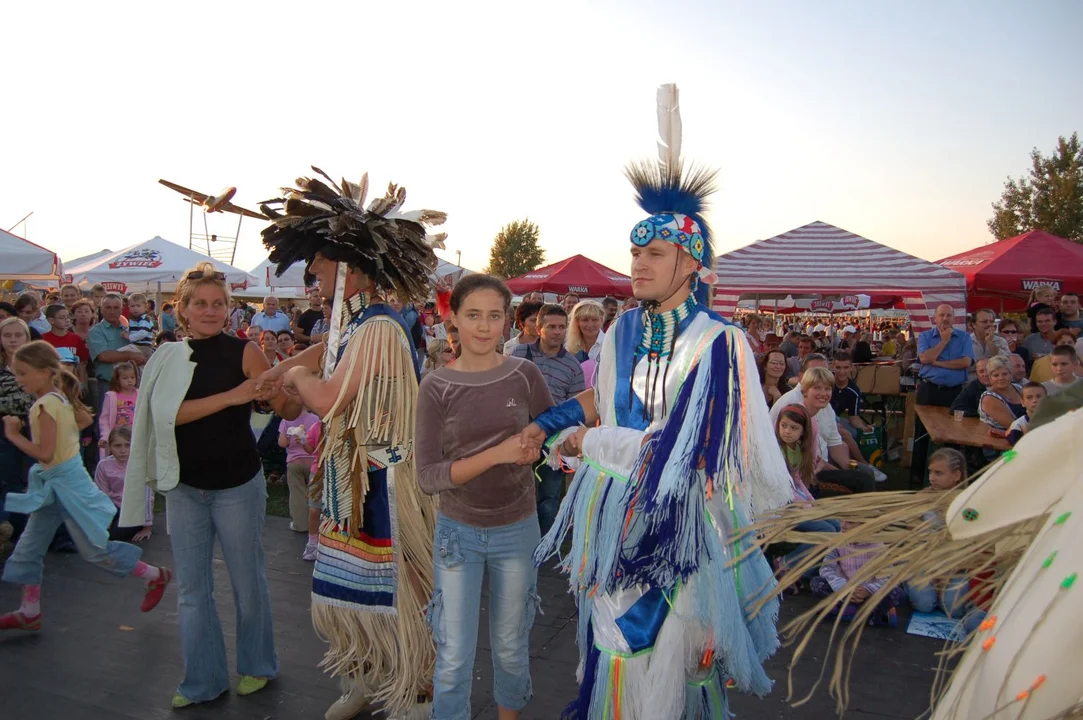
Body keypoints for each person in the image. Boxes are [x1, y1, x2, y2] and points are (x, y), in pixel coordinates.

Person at [521, 85, 793, 719]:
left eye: (655, 254)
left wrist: (585, 442)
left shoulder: (719, 344)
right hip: (613, 515)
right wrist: (547, 425)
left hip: (681, 531)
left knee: (665, 662)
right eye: (636, 253)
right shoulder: (620, 331)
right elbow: (606, 400)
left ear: (692, 263)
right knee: (607, 656)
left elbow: (686, 453)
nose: (638, 265)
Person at [254, 167, 445, 720]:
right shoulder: (354, 326)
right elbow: (319, 359)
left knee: (401, 588)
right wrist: (281, 371)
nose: (311, 267)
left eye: (320, 258)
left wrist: (292, 382)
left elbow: (329, 397)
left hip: (383, 480)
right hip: (350, 479)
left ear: (353, 266)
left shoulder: (380, 326)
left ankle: (415, 689)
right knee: (348, 583)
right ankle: (365, 675)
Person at [118, 262, 302, 708]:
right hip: (185, 488)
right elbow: (169, 416)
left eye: (218, 303)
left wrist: (278, 393)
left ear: (229, 309)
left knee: (248, 582)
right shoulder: (166, 357)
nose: (210, 310)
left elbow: (289, 411)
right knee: (193, 590)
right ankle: (202, 679)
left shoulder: (245, 353)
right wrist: (235, 396)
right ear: (182, 309)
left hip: (238, 485)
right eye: (200, 303)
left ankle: (258, 665)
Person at [415, 275, 552, 720]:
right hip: (458, 532)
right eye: (473, 314)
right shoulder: (436, 387)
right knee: (453, 653)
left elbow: (551, 432)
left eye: (495, 315)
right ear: (452, 318)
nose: (484, 326)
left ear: (508, 320)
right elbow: (428, 476)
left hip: (517, 528)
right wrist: (498, 453)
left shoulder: (525, 374)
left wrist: (543, 443)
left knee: (511, 645)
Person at [1, 341, 171, 632]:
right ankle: (30, 610)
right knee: (29, 547)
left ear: (43, 372)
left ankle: (154, 574)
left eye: (23, 373)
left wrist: (13, 434)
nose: (19, 379)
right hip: (57, 486)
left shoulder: (46, 405)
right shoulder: (57, 399)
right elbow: (81, 420)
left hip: (67, 487)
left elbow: (44, 453)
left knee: (95, 550)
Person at [511, 303, 585, 536]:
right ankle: (515, 541)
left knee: (549, 496)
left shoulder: (572, 365)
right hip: (519, 433)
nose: (557, 332)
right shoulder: (519, 355)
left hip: (553, 438)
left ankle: (542, 543)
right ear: (539, 328)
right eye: (551, 326)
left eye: (562, 327)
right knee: (515, 491)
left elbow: (576, 406)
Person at [771, 404, 839, 586]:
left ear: (803, 432)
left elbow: (798, 482)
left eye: (794, 428)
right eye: (784, 426)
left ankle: (809, 572)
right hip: (781, 507)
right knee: (827, 530)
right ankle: (786, 564)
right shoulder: (776, 451)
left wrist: (811, 502)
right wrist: (805, 507)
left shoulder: (798, 451)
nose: (787, 431)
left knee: (838, 525)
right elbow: (783, 488)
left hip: (797, 504)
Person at [0, 318, 35, 544]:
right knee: (10, 482)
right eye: (8, 335)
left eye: (18, 335)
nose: (13, 340)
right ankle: (16, 532)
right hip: (4, 433)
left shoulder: (37, 366)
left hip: (35, 430)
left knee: (34, 481)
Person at [88, 294, 146, 416]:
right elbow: (104, 356)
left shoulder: (128, 329)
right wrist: (131, 355)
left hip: (130, 386)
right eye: (108, 307)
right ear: (101, 309)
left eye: (116, 307)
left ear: (121, 309)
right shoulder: (96, 331)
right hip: (108, 384)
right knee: (107, 422)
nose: (112, 311)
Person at [93, 426, 153, 542]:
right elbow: (101, 495)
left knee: (114, 536)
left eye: (127, 445)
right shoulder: (103, 465)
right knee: (95, 532)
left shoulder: (141, 466)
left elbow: (147, 498)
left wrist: (147, 528)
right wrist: (105, 521)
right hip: (114, 507)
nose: (123, 450)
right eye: (117, 446)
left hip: (135, 509)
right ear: (110, 447)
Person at [277, 407, 320, 540]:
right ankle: (317, 525)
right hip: (313, 462)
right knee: (315, 496)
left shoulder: (285, 420)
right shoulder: (315, 419)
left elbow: (282, 443)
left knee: (297, 495)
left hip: (294, 463)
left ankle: (300, 524)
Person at [97, 361, 138, 459]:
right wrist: (105, 436)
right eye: (125, 378)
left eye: (132, 377)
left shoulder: (140, 394)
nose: (129, 381)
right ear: (117, 379)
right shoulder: (111, 396)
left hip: (135, 436)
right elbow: (104, 419)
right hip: (117, 436)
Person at [42, 304, 89, 384]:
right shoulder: (43, 339)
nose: (67, 320)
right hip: (51, 381)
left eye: (67, 317)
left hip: (72, 382)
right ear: (51, 320)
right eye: (62, 318)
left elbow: (81, 363)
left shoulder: (76, 338)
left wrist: (83, 383)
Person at [830, 351, 869, 439]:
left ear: (851, 368)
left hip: (835, 420)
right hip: (818, 417)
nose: (842, 371)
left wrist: (864, 428)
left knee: (854, 433)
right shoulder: (826, 382)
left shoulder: (854, 391)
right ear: (833, 367)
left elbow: (853, 417)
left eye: (846, 367)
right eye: (838, 367)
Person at [978, 356, 1024, 432]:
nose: (1001, 378)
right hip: (999, 440)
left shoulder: (1019, 388)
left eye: (1005, 374)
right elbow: (1013, 427)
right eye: (996, 375)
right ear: (990, 378)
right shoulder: (989, 398)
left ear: (1011, 375)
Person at [969, 309, 1009, 373]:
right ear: (974, 324)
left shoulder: (1000, 341)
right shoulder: (966, 341)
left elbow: (1007, 363)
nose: (989, 324)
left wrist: (990, 342)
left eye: (991, 321)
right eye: (984, 322)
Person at [126, 293, 156, 360]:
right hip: (136, 346)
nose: (135, 308)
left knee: (120, 353)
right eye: (132, 306)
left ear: (145, 307)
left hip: (143, 346)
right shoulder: (132, 319)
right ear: (129, 307)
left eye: (138, 306)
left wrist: (129, 337)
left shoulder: (144, 320)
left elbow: (143, 333)